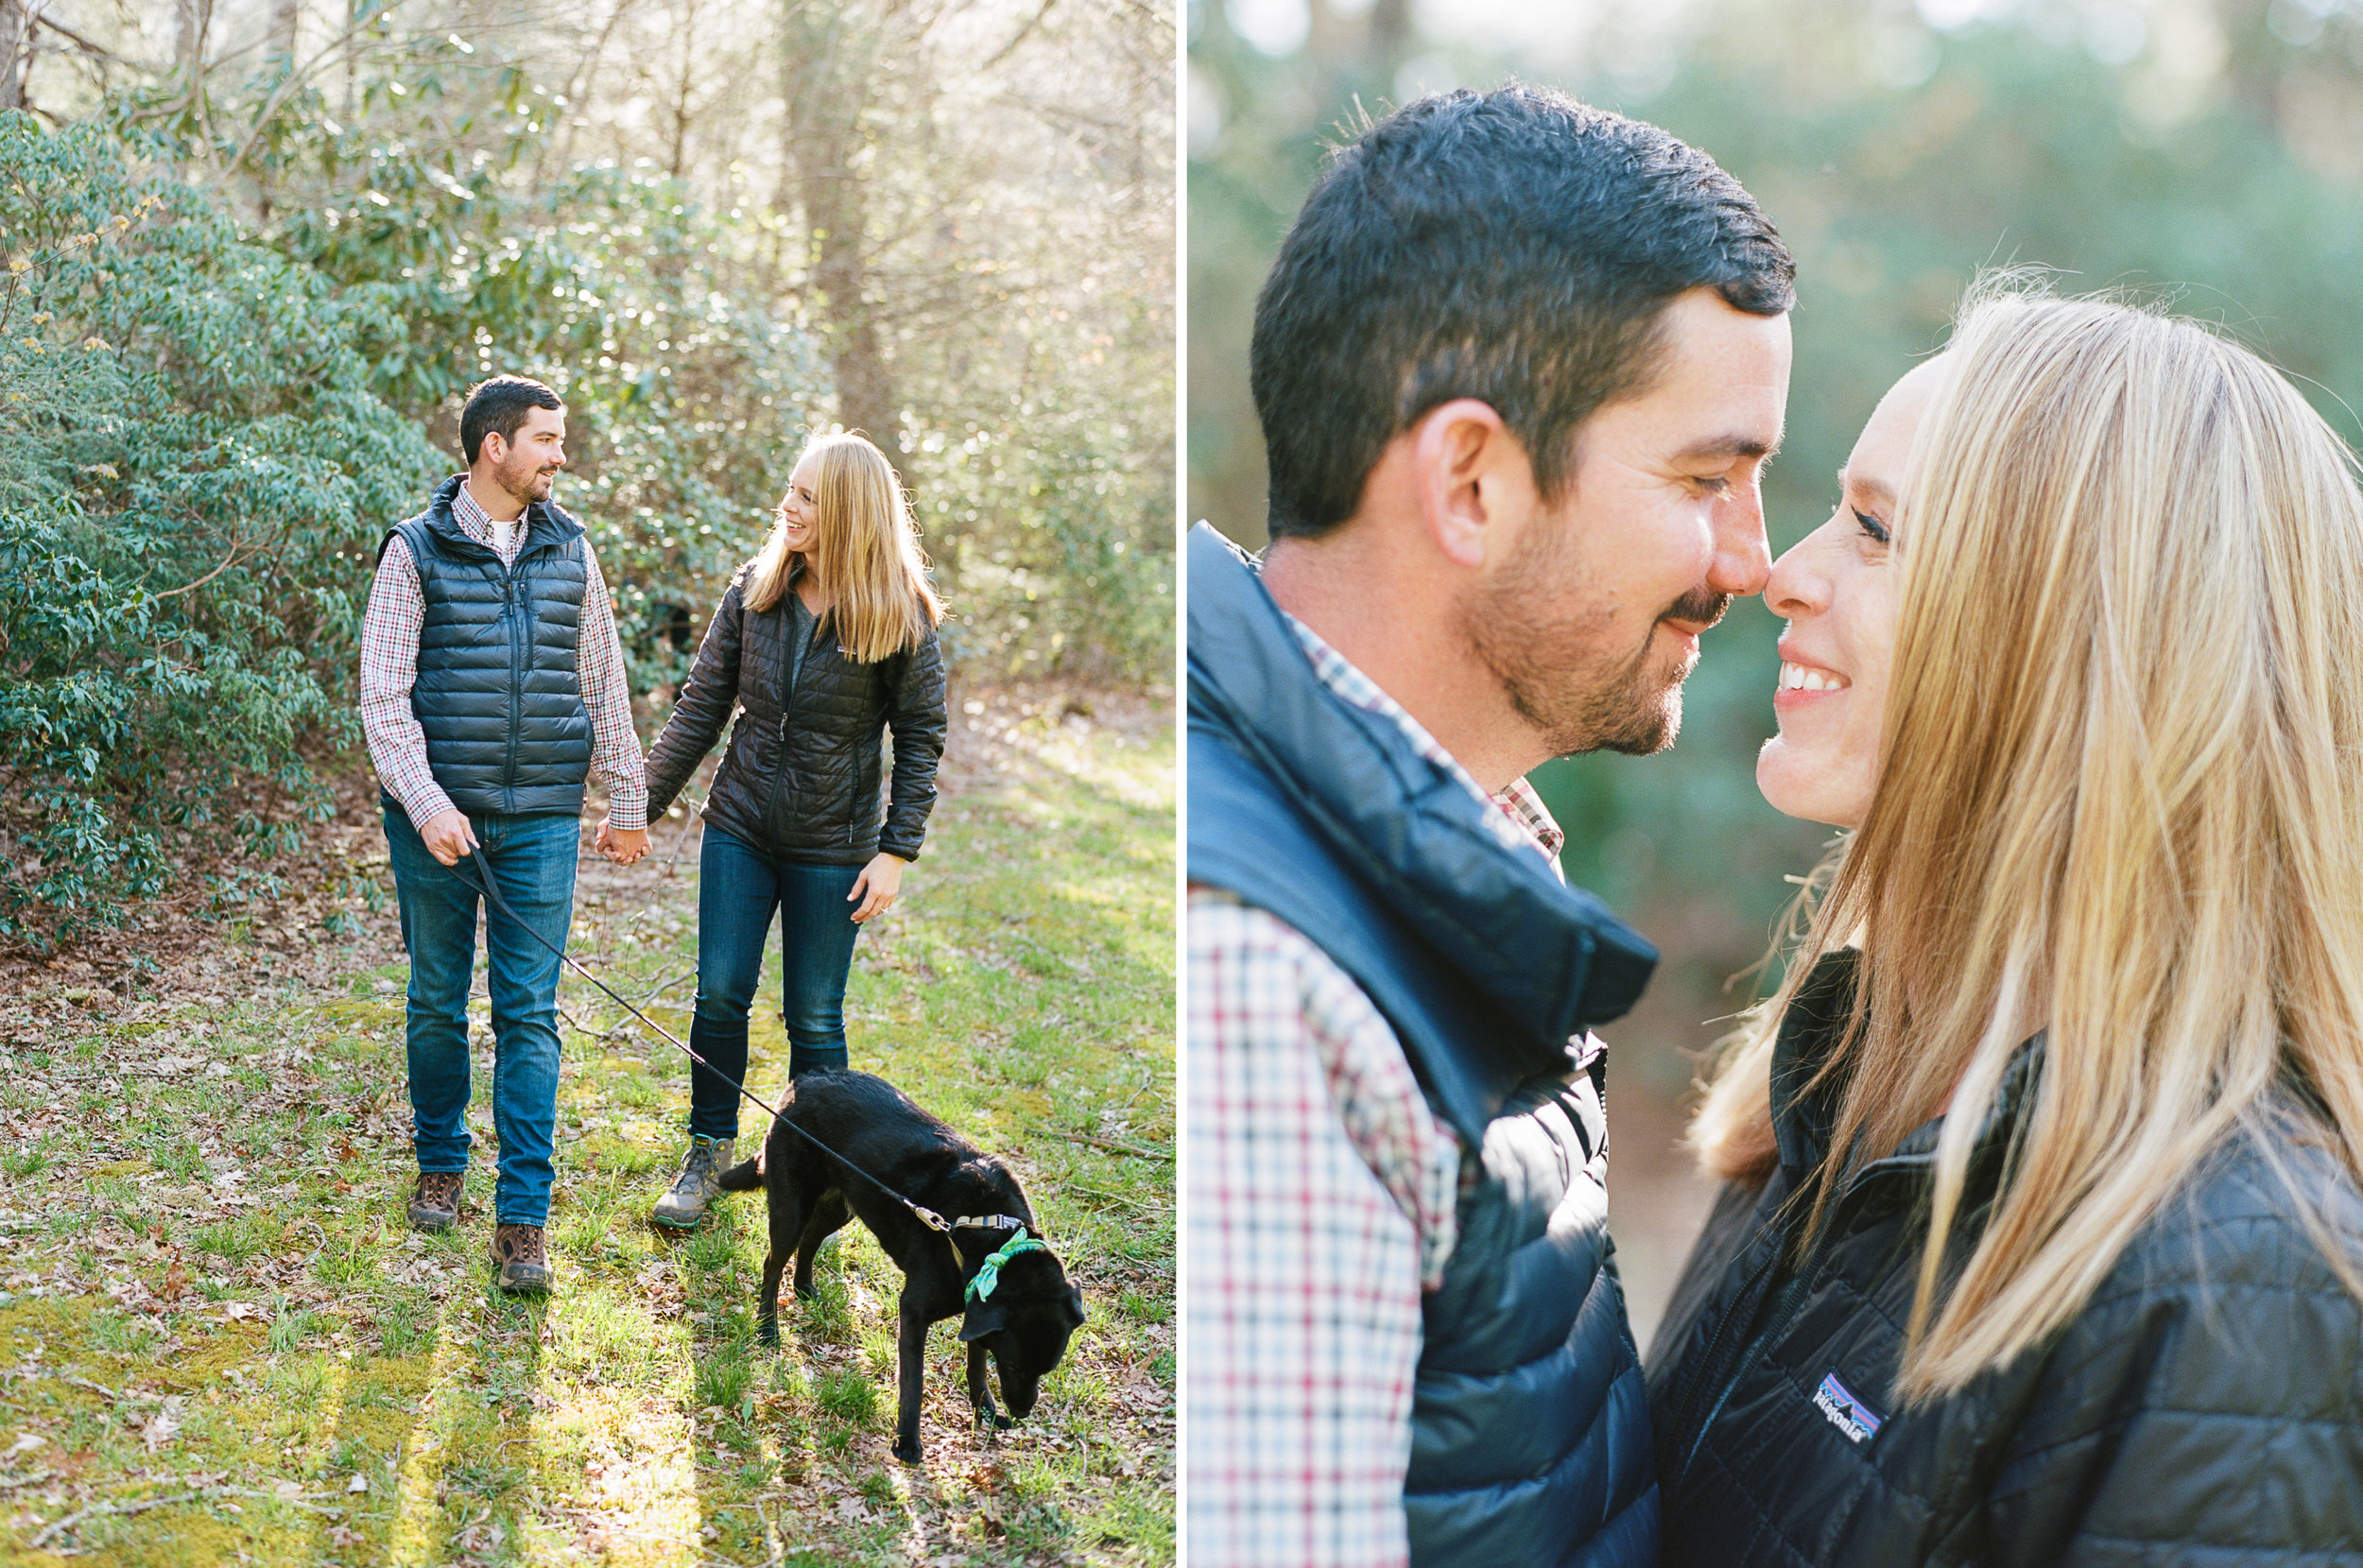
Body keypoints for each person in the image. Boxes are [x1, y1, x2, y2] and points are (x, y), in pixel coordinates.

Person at [1647, 284, 2363, 1563]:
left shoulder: (2244, 1277)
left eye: (1874, 530)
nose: (1782, 571)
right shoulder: (1835, 1079)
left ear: (2069, 638)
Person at [1185, 84, 1795, 1567]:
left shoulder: (1429, 872)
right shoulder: (1265, 994)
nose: (1753, 561)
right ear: (1469, 480)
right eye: (1708, 478)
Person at [360, 373, 648, 1297]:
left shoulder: (572, 549)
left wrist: (627, 797)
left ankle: (523, 1220)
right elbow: (382, 698)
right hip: (435, 820)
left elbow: (603, 676)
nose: (561, 457)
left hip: (541, 820)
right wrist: (427, 802)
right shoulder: (414, 551)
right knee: (439, 998)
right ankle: (441, 1160)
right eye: (547, 440)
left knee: (529, 1011)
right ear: (495, 447)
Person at [638, 431, 947, 1230]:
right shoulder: (757, 587)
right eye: (790, 489)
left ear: (847, 509)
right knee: (720, 994)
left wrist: (895, 849)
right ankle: (707, 1152)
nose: (789, 505)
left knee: (814, 1016)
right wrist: (636, 804)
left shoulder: (899, 612)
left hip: (833, 845)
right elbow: (702, 703)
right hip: (740, 825)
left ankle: (822, 1176)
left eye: (807, 496)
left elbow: (920, 735)